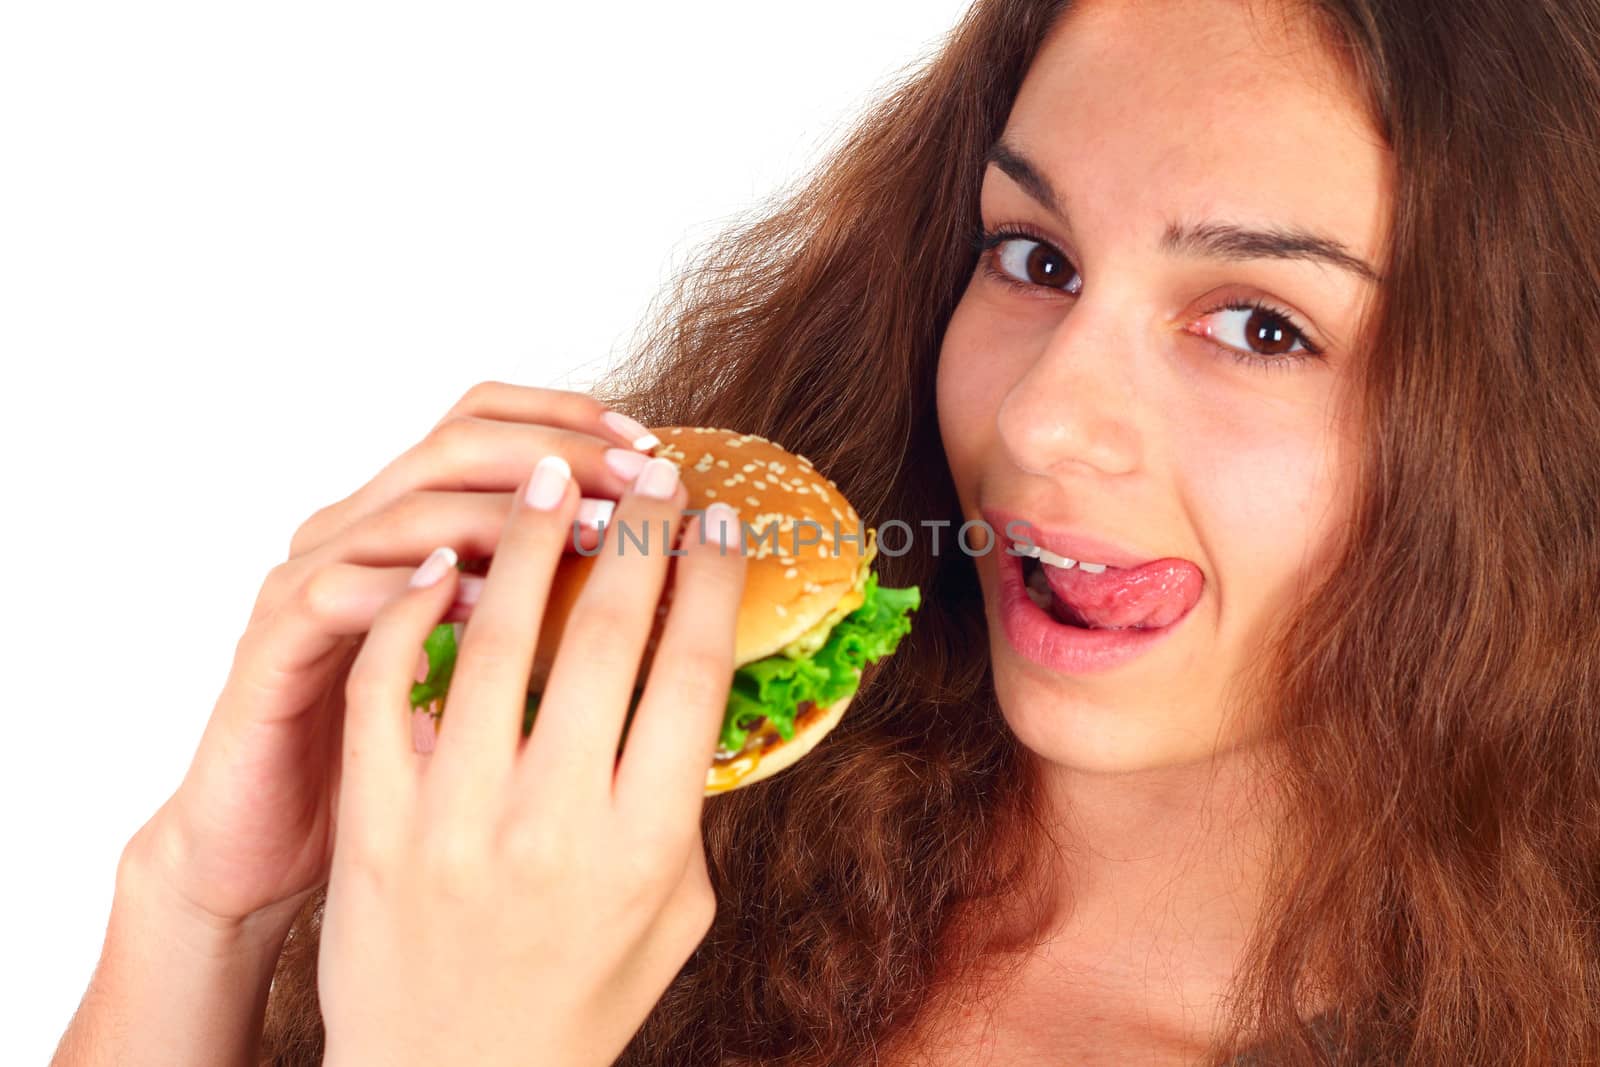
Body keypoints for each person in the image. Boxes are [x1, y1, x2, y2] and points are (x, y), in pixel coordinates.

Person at [51, 0, 1600, 1063]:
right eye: (1035, 258)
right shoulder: (624, 845)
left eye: (1261, 326)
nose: (1047, 419)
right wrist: (206, 902)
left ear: (1538, 429)